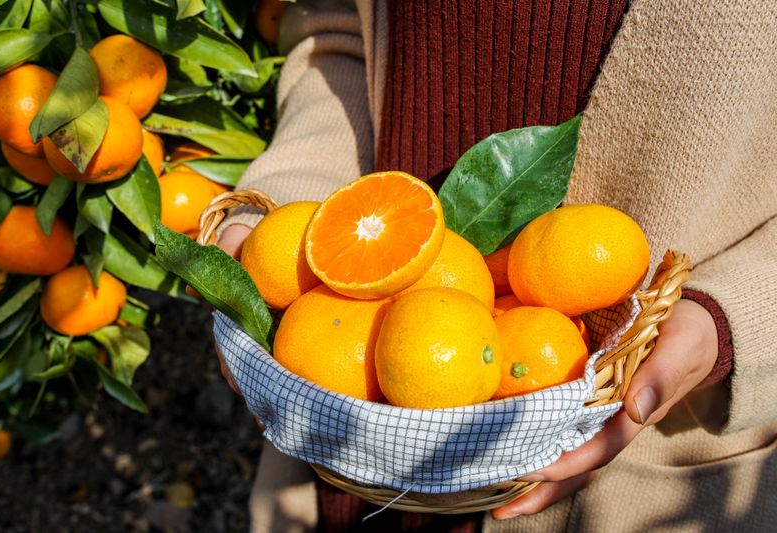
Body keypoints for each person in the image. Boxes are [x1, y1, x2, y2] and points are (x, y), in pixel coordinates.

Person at [214, 1, 777, 531]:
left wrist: (727, 320)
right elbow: (337, 31)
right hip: (346, 397)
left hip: (654, 464)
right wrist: (293, 213)